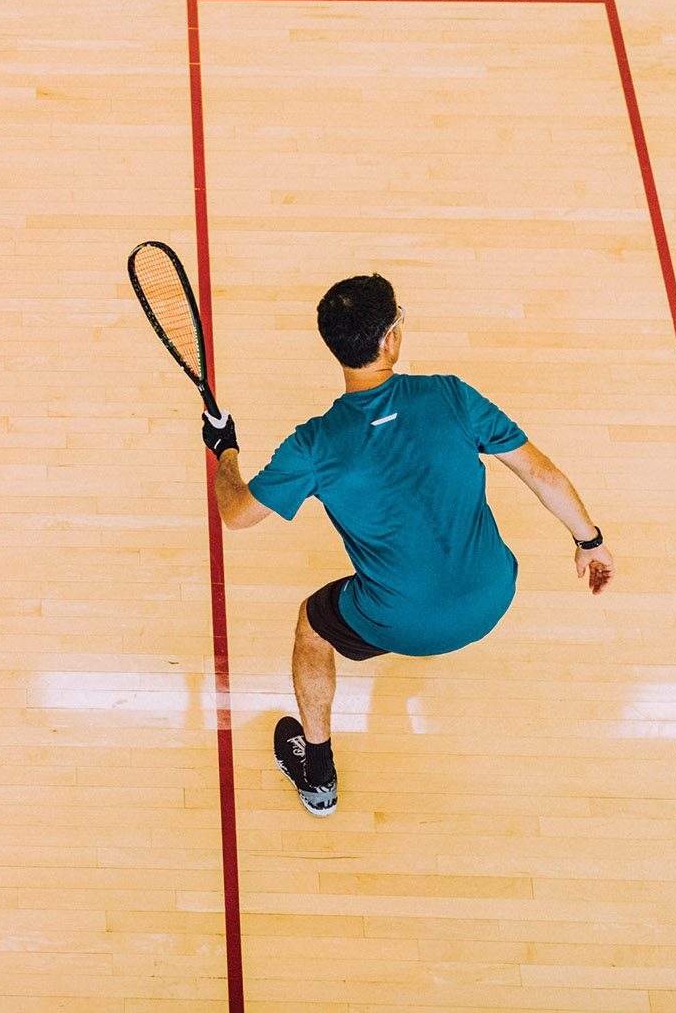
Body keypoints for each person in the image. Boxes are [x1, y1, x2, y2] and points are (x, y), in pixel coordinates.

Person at [202, 273, 614, 817]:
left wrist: (224, 451)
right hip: (495, 592)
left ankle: (317, 774)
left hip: (405, 623)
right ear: (391, 339)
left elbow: (235, 514)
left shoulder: (315, 444)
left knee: (312, 625)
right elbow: (543, 475)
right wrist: (590, 541)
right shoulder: (453, 395)